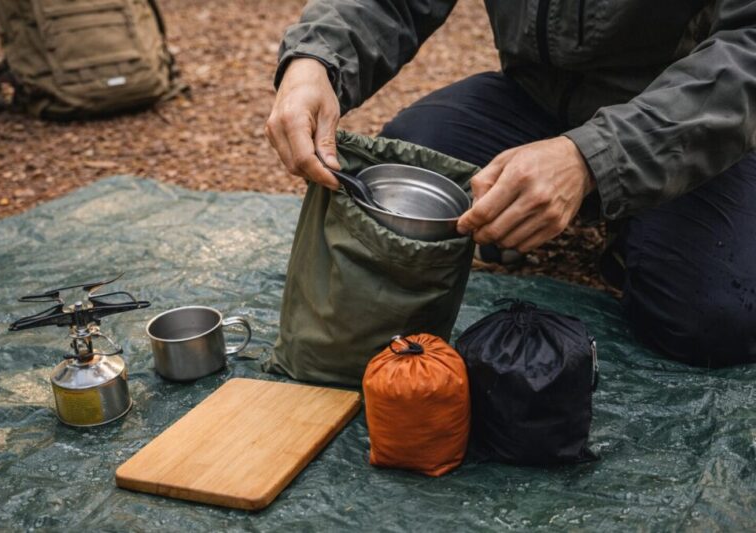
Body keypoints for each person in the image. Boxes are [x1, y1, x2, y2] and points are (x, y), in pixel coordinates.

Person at [265, 0, 756, 367]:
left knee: (707, 321)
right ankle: (571, 201)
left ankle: (627, 215)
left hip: (694, 120)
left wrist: (594, 159)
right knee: (412, 179)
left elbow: (746, 51)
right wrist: (315, 60)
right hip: (537, 98)